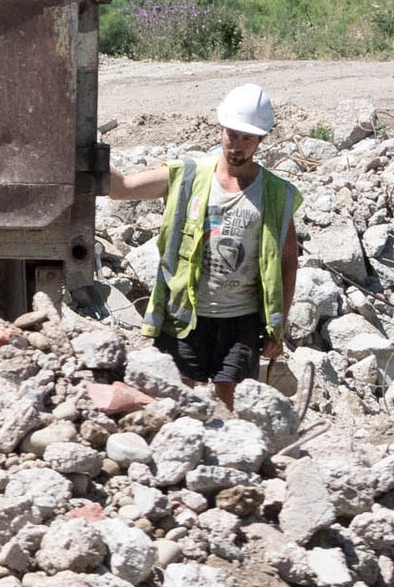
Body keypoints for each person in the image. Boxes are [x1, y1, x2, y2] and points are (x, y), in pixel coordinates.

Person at [102, 83, 302, 408]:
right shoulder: (188, 176)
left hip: (242, 320)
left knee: (230, 404)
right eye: (231, 134)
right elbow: (121, 189)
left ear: (262, 139)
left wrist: (278, 326)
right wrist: (85, 148)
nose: (236, 145)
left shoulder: (276, 194)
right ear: (221, 128)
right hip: (187, 317)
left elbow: (287, 262)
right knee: (177, 404)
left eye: (247, 138)